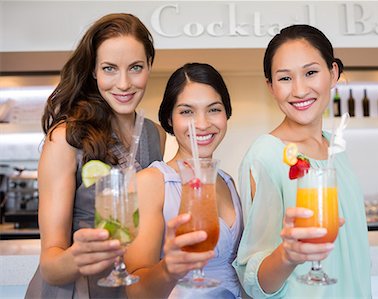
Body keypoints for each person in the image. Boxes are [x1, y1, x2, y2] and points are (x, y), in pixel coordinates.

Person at [25, 13, 166, 298]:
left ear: (149, 66)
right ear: (93, 71)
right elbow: (51, 265)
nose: (124, 83)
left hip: (129, 287)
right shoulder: (66, 138)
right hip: (74, 289)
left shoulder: (156, 135)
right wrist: (79, 255)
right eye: (110, 68)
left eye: (136, 67)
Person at [233, 24, 371, 298]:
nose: (299, 90)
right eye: (285, 78)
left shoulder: (337, 148)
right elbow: (255, 282)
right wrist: (288, 254)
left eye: (310, 73)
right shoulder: (266, 156)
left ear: (333, 73)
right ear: (271, 87)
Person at [125, 62, 243, 299]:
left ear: (226, 113)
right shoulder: (150, 183)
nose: (202, 123)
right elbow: (135, 291)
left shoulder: (227, 181)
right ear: (169, 119)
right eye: (187, 111)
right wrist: (170, 269)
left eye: (214, 109)